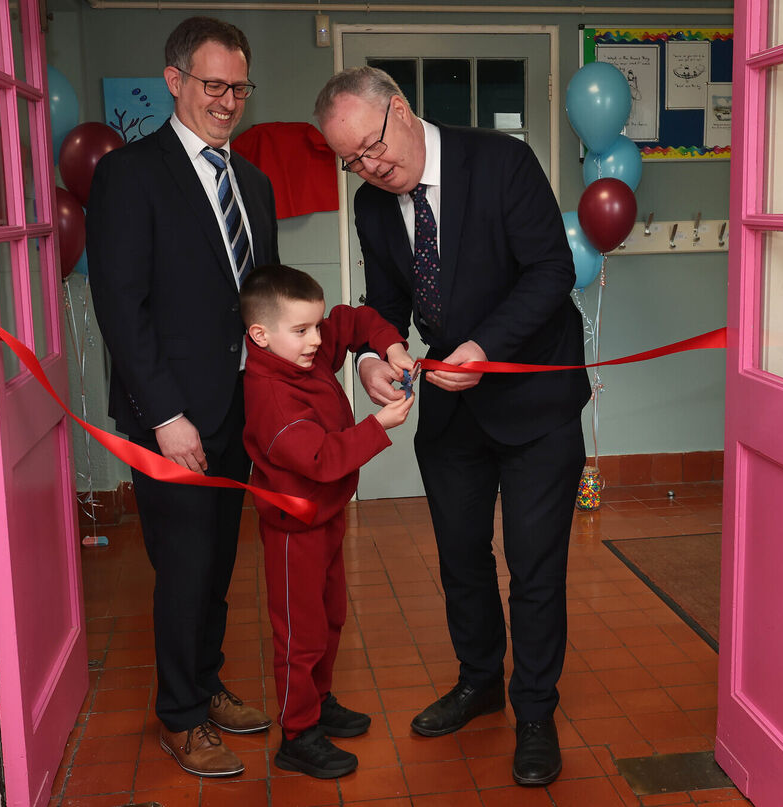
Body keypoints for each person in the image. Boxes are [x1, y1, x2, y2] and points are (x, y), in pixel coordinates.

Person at [314, 66, 590, 787]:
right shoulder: (372, 207)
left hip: (534, 405)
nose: (370, 167)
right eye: (353, 161)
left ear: (400, 111)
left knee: (533, 567)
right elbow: (385, 302)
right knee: (461, 557)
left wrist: (485, 348)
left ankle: (534, 711)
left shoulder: (500, 161)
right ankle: (479, 682)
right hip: (450, 407)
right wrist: (376, 355)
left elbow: (550, 272)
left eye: (372, 147)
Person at [85, 17, 278, 778]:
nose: (228, 101)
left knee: (220, 560)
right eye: (213, 86)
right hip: (168, 417)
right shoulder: (129, 175)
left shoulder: (254, 184)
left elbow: (261, 304)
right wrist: (166, 416)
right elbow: (121, 307)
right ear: (175, 81)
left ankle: (206, 681)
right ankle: (180, 716)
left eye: (239, 87)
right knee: (183, 565)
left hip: (240, 409)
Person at [239, 264, 414, 779]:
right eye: (302, 330)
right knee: (300, 632)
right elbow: (320, 458)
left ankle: (318, 700)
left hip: (328, 514)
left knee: (331, 615)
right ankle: (297, 732)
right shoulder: (270, 394)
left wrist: (392, 347)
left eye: (315, 326)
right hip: (296, 529)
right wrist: (377, 426)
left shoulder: (301, 352)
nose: (317, 339)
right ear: (260, 335)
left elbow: (353, 320)